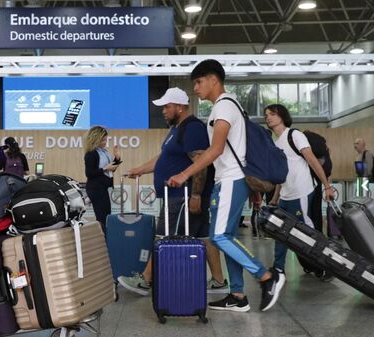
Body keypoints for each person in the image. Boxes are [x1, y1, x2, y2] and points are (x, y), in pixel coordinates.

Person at [167, 59, 284, 313]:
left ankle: (266, 276)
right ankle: (238, 294)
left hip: (231, 179)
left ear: (213, 80)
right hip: (228, 180)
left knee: (219, 236)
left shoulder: (224, 106)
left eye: (198, 82)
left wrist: (185, 173)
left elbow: (216, 149)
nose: (195, 88)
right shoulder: (226, 107)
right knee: (225, 236)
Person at [117, 87, 227, 296]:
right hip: (181, 196)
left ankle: (145, 280)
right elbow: (163, 158)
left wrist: (195, 196)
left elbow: (201, 163)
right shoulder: (177, 129)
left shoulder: (192, 128)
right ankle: (219, 281)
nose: (164, 111)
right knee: (204, 237)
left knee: (164, 237)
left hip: (181, 196)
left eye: (167, 107)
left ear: (179, 107)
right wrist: (139, 169)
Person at [264, 104, 335, 281]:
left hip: (302, 192)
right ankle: (278, 268)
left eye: (272, 114)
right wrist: (275, 198)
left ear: (282, 116)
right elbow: (282, 174)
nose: (268, 117)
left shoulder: (294, 135)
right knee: (279, 231)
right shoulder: (275, 143)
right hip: (286, 195)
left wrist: (326, 186)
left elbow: (312, 161)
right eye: (266, 115)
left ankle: (325, 266)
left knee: (308, 232)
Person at [83, 126, 121, 231]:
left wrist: (117, 158)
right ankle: (102, 241)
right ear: (96, 139)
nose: (105, 142)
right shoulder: (91, 154)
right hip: (96, 189)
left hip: (103, 188)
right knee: (102, 218)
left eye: (106, 139)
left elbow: (111, 169)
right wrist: (105, 169)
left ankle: (105, 239)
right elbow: (89, 173)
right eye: (103, 140)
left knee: (106, 217)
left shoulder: (103, 152)